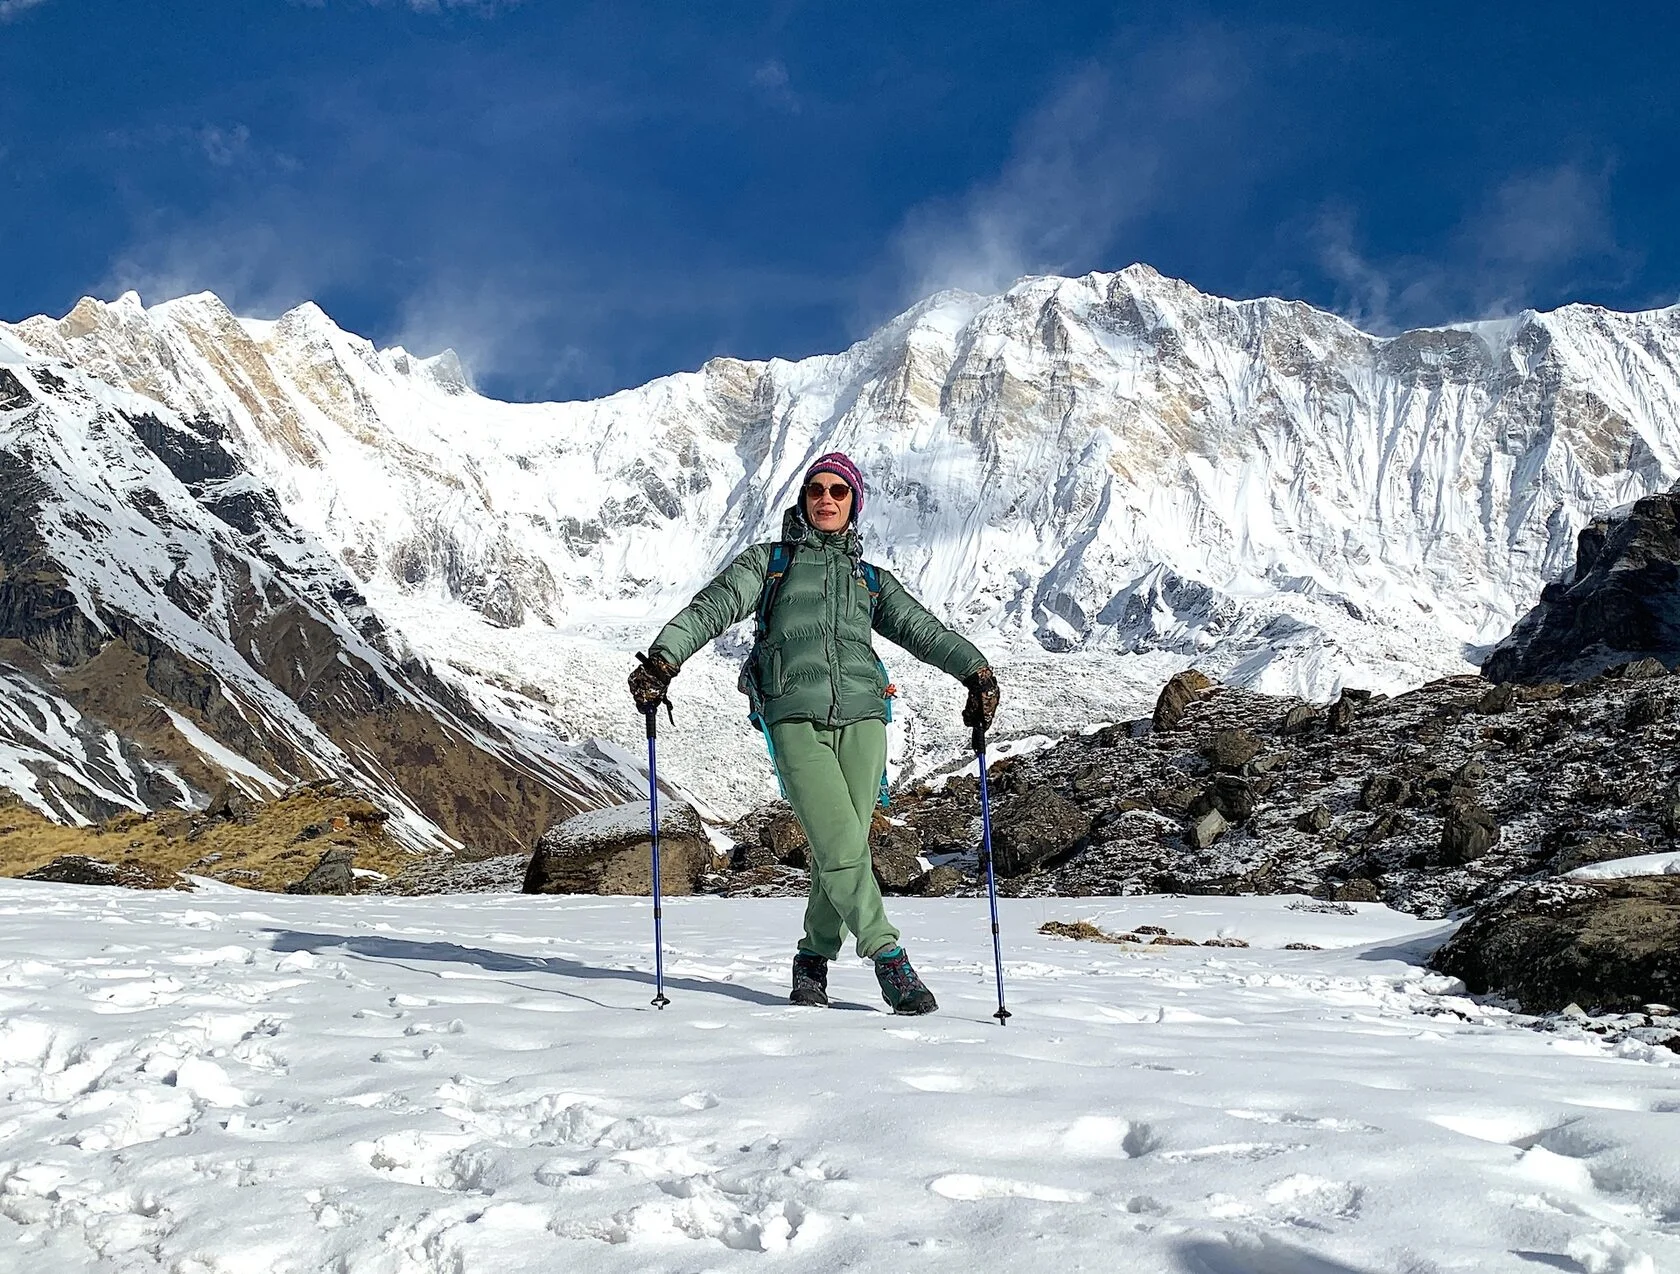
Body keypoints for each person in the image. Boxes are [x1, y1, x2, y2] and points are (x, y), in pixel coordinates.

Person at [628, 451, 1000, 1015]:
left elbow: (924, 629)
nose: (825, 499)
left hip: (865, 716)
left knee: (842, 843)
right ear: (803, 500)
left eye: (838, 491)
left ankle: (812, 957)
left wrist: (976, 672)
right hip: (792, 714)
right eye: (815, 489)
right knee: (839, 840)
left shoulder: (870, 580)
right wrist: (663, 660)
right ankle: (887, 956)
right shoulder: (769, 564)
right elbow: (713, 608)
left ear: (854, 504)